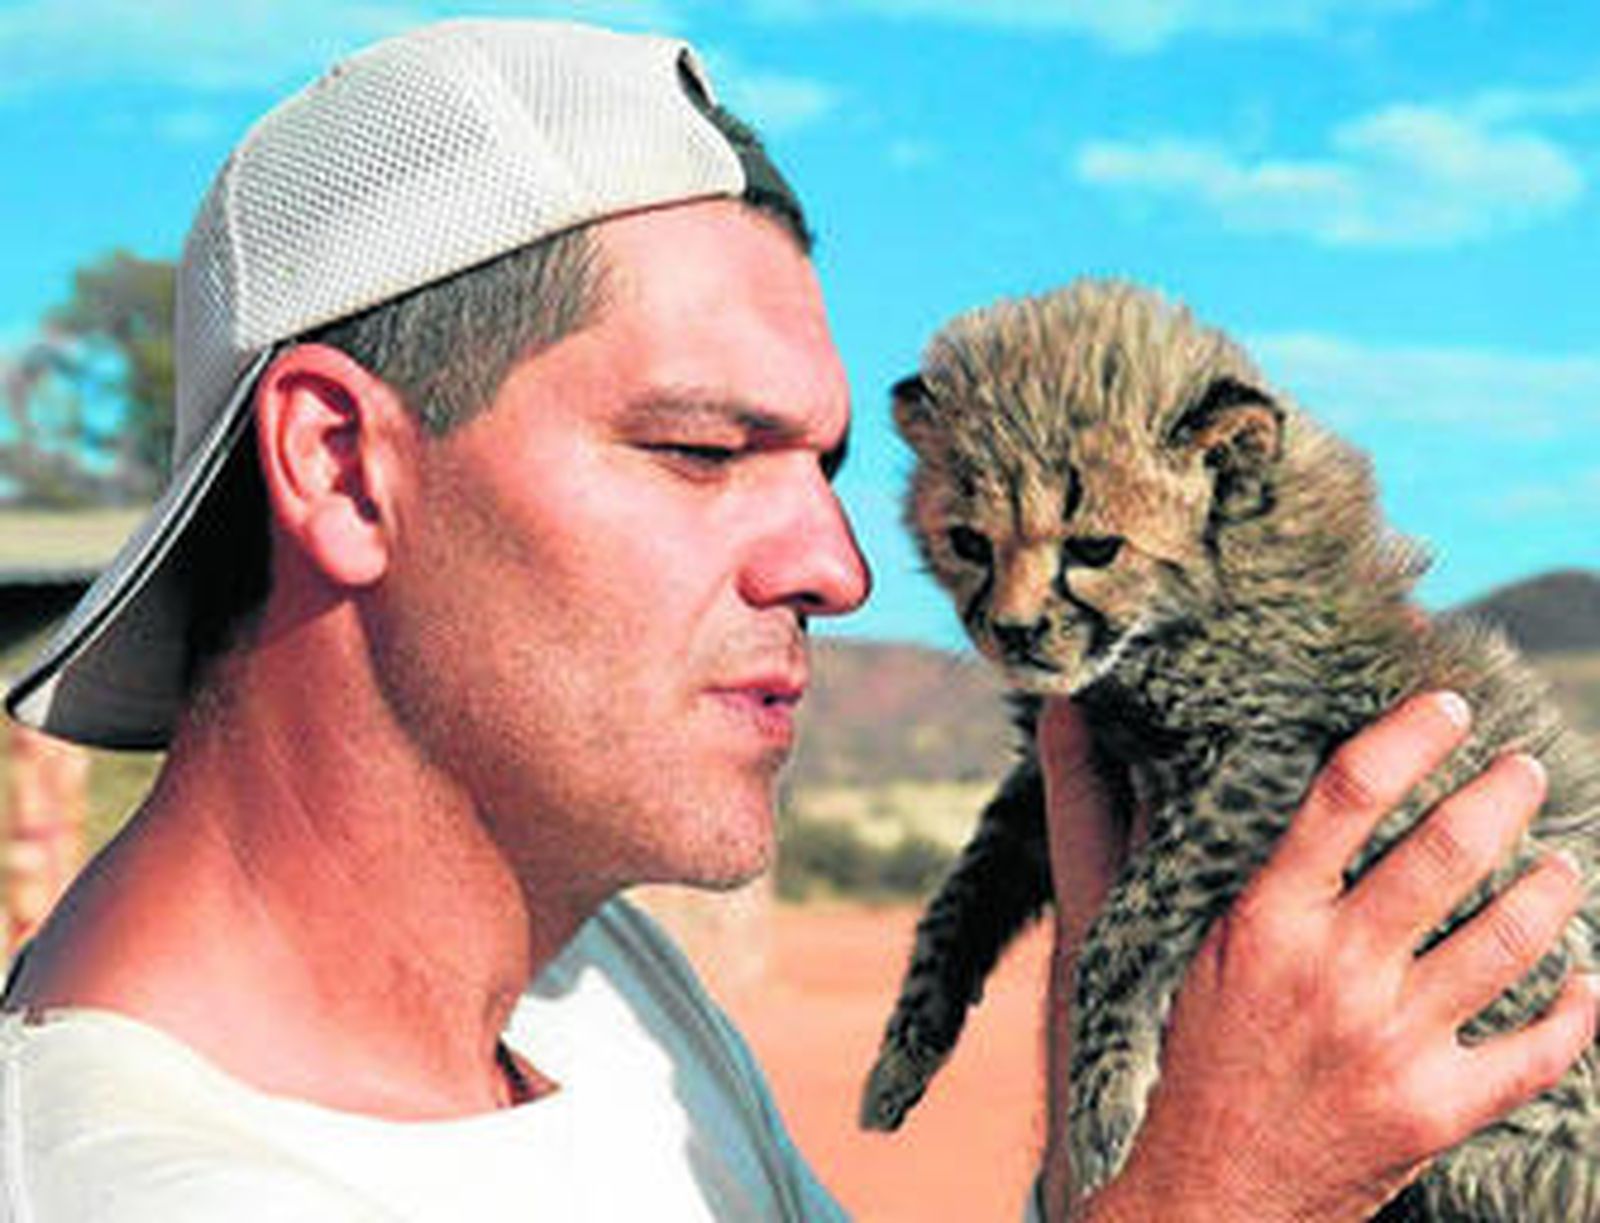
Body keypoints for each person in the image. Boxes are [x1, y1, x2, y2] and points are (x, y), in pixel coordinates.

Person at [1, 19, 1591, 1222]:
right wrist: (1219, 1202)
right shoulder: (135, 1187)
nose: (840, 568)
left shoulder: (596, 989)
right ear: (343, 466)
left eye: (828, 470)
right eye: (704, 451)